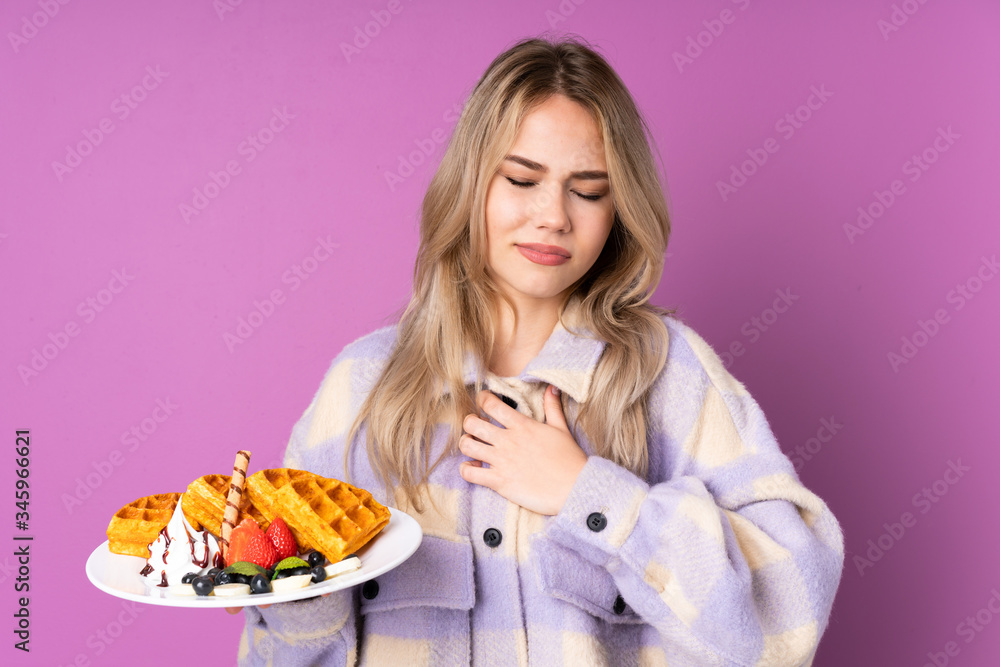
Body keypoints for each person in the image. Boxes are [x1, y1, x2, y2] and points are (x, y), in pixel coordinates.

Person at [234, 35, 845, 666]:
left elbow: (790, 612)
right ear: (471, 184)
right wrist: (293, 602)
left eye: (588, 190)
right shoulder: (362, 390)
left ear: (619, 208)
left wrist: (590, 493)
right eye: (523, 179)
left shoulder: (670, 376)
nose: (553, 215)